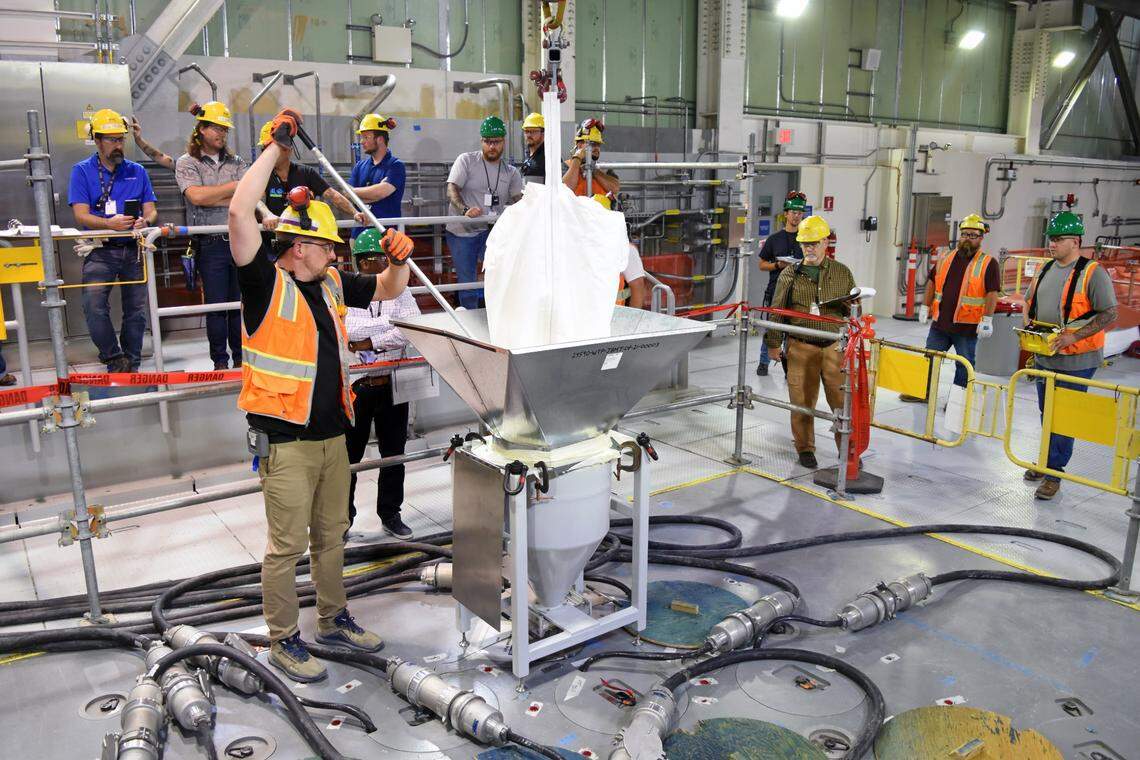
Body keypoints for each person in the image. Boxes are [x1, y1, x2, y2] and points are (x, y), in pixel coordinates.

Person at [227, 107, 415, 682]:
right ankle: (283, 638)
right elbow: (239, 209)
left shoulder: (330, 280)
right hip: (286, 441)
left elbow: (384, 286)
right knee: (285, 548)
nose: (336, 255)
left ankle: (333, 617)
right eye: (327, 248)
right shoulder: (263, 283)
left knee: (330, 535)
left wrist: (400, 261)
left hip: (334, 433)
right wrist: (277, 145)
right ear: (300, 245)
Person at [1022, 210, 1118, 501]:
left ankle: (1055, 474)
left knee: (1064, 418)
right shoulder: (1046, 268)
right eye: (1051, 238)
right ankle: (1046, 462)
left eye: (1059, 239)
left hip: (1077, 361)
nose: (1052, 244)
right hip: (1045, 356)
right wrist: (1029, 325)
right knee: (1047, 413)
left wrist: (1073, 337)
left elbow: (1109, 312)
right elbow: (1029, 301)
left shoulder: (1093, 272)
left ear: (1075, 241)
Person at [344, 228, 421, 539]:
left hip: (391, 383)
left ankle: (390, 513)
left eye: (380, 259)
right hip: (355, 387)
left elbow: (410, 329)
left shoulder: (401, 290)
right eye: (367, 260)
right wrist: (385, 330)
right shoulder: (346, 291)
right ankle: (341, 520)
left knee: (394, 454)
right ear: (358, 262)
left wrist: (369, 342)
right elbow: (345, 330)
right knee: (348, 458)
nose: (374, 266)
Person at [68, 108, 159, 373]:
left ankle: (131, 361)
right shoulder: (82, 171)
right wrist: (109, 224)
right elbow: (80, 214)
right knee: (94, 306)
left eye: (120, 139)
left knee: (136, 310)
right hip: (101, 250)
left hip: (134, 249)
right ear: (97, 140)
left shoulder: (137, 171)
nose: (118, 145)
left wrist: (146, 220)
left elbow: (151, 208)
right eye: (111, 139)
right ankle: (113, 357)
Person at [765, 215, 856, 469]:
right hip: (801, 346)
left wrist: (851, 308)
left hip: (833, 347)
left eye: (814, 243)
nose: (809, 249)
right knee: (802, 401)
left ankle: (848, 450)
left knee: (841, 401)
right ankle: (805, 448)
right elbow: (777, 309)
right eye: (805, 244)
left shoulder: (842, 272)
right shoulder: (789, 275)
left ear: (826, 242)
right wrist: (773, 344)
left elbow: (851, 308)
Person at [175, 100, 247, 370]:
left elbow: (253, 195)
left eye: (225, 129)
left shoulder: (237, 161)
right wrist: (233, 189)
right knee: (217, 306)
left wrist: (213, 197)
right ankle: (220, 362)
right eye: (216, 128)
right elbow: (195, 196)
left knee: (239, 305)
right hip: (210, 244)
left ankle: (242, 359)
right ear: (201, 129)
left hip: (238, 239)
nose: (222, 134)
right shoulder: (187, 163)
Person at [899, 213, 1000, 401]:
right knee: (930, 357)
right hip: (940, 324)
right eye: (964, 234)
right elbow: (931, 282)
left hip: (967, 326)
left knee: (964, 365)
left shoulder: (988, 263)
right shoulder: (945, 257)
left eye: (972, 235)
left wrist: (987, 319)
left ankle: (958, 401)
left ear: (981, 238)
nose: (967, 239)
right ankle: (923, 392)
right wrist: (925, 306)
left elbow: (992, 293)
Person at [445, 116, 525, 309]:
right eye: (488, 141)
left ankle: (494, 315)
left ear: (503, 142)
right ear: (481, 141)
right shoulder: (466, 161)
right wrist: (465, 209)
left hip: (490, 232)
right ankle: (470, 320)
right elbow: (452, 188)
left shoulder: (511, 172)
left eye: (496, 142)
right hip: (461, 232)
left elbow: (520, 200)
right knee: (467, 280)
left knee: (498, 271)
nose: (492, 146)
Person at [255, 121, 362, 254]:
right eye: (264, 149)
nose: (266, 154)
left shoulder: (306, 172)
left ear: (287, 148)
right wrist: (267, 214)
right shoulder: (262, 175)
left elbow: (333, 195)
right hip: (272, 245)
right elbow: (256, 200)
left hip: (304, 245)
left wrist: (355, 213)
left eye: (270, 149)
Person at [756, 191, 807, 376]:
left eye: (800, 213)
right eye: (793, 212)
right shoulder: (774, 239)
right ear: (786, 213)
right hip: (776, 292)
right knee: (773, 329)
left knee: (793, 332)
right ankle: (763, 362)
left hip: (799, 293)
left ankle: (788, 365)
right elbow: (761, 264)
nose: (796, 216)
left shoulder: (806, 239)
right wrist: (777, 264)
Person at [349, 114, 406, 238]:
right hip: (359, 236)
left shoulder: (396, 166)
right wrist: (373, 193)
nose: (361, 141)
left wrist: (355, 192)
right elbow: (347, 194)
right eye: (361, 137)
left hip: (386, 238)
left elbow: (379, 193)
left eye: (366, 137)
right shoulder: (360, 166)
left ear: (380, 139)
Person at [563, 118, 619, 196]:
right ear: (579, 145)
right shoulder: (566, 166)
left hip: (600, 208)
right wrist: (577, 159)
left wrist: (595, 171)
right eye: (592, 144)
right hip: (576, 208)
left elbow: (615, 188)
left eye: (598, 144)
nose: (597, 148)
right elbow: (566, 188)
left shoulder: (604, 169)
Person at [519, 112, 546, 181]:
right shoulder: (528, 154)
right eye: (526, 131)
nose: (528, 135)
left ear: (543, 133)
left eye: (533, 131)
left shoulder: (548, 156)